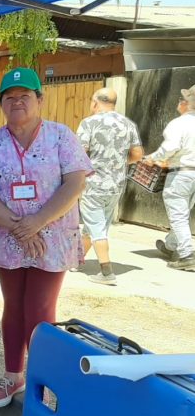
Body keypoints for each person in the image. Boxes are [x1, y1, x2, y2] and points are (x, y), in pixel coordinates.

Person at [0, 68, 91, 409]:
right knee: (13, 306)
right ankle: (13, 375)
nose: (17, 102)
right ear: (1, 104)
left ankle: (45, 379)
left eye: (25, 95)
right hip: (8, 235)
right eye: (9, 97)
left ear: (40, 99)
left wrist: (36, 222)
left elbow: (75, 183)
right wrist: (18, 227)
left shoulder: (61, 136)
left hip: (52, 237)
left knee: (40, 308)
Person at [76, 87, 143, 285]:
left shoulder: (89, 123)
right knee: (94, 225)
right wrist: (118, 164)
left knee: (96, 227)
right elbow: (137, 154)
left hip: (92, 184)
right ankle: (76, 260)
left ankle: (106, 272)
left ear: (95, 102)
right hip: (117, 184)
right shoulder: (128, 124)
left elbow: (79, 154)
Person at [145, 83, 195, 271]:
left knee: (178, 214)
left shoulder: (179, 123)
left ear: (186, 103)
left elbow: (169, 148)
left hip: (181, 173)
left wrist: (153, 158)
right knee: (184, 212)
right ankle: (171, 246)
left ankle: (187, 254)